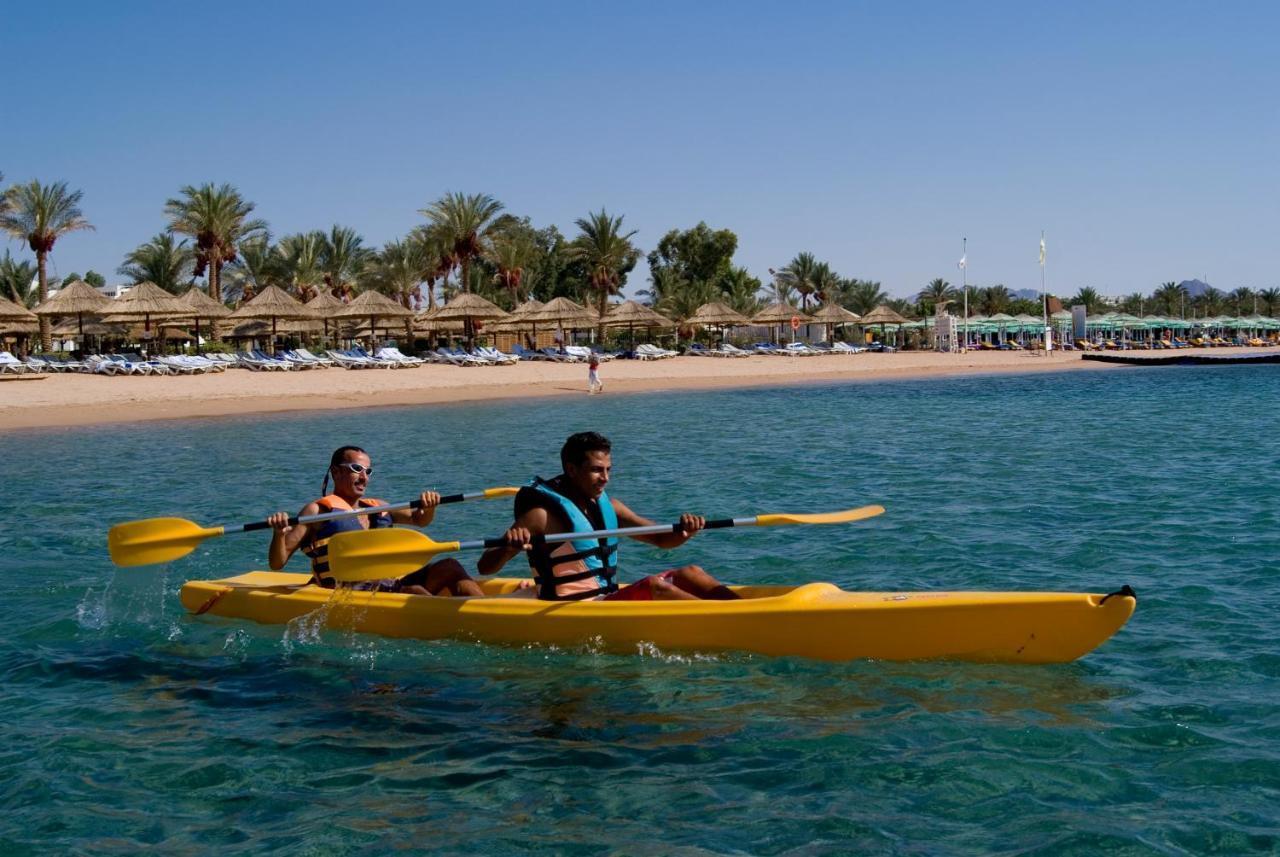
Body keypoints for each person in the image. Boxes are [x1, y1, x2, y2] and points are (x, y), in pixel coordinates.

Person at [477, 432, 739, 601]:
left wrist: (686, 531)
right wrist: (507, 546)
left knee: (690, 572)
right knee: (654, 587)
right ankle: (730, 622)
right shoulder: (540, 516)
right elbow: (485, 567)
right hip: (571, 609)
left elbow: (662, 539)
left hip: (607, 599)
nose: (605, 478)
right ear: (571, 469)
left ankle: (749, 611)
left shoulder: (610, 506)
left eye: (608, 469)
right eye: (596, 470)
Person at [267, 445, 482, 596]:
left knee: (450, 566)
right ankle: (448, 622)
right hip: (349, 591)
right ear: (335, 471)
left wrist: (430, 506)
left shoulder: (378, 507)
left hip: (389, 584)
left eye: (368, 471)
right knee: (414, 591)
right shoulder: (317, 510)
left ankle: (483, 609)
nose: (364, 477)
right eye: (356, 469)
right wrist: (278, 533)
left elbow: (420, 520)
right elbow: (278, 562)